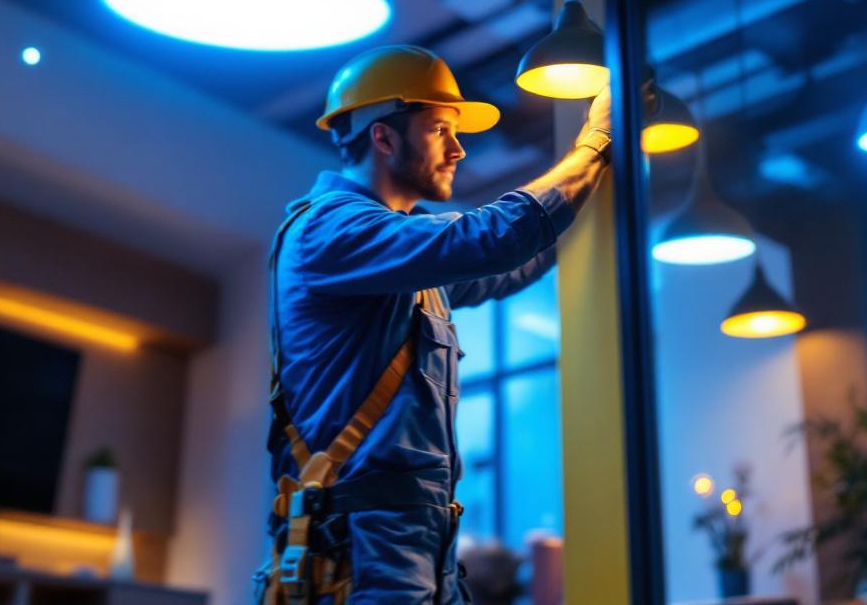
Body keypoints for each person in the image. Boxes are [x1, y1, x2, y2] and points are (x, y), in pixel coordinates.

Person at [256, 45, 611, 604]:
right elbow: (497, 238)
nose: (458, 147)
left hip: (409, 550)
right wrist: (596, 144)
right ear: (384, 136)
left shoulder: (399, 256)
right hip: (363, 553)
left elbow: (510, 263)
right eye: (441, 128)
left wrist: (595, 192)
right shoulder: (330, 231)